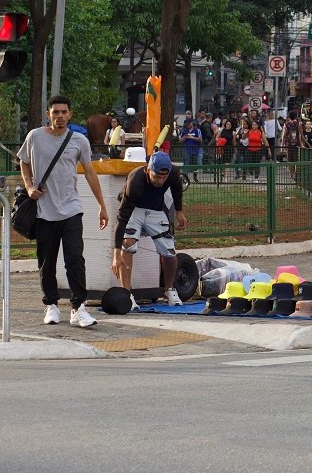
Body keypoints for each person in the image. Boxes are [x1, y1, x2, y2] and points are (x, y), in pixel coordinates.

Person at [19, 95, 109, 328]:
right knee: (46, 262)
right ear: (48, 114)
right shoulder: (35, 137)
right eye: (55, 112)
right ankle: (51, 304)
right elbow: (24, 161)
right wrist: (29, 187)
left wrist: (102, 205)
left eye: (64, 112)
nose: (60, 116)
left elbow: (89, 172)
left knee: (75, 259)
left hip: (71, 210)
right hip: (44, 212)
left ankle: (78, 308)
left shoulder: (79, 140)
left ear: (70, 115)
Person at [111, 152, 187, 307]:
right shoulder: (135, 181)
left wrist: (179, 211)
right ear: (148, 170)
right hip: (134, 209)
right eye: (156, 177)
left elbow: (177, 188)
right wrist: (116, 252)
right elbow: (122, 218)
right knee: (129, 243)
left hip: (155, 210)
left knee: (169, 249)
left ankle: (169, 290)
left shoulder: (172, 173)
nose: (160, 181)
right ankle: (127, 293)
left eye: (163, 177)